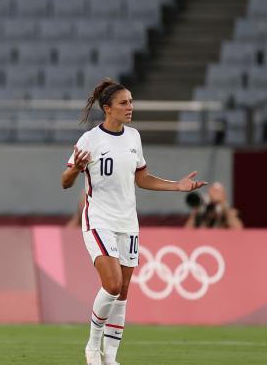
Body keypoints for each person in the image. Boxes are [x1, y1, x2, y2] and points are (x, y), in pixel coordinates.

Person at [61, 79, 206, 365]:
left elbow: (141, 178)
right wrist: (76, 171)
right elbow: (65, 182)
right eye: (123, 103)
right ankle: (92, 347)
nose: (130, 107)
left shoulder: (133, 137)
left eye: (130, 101)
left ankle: (111, 358)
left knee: (124, 291)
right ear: (107, 108)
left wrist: (176, 186)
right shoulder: (90, 139)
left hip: (128, 222)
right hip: (99, 219)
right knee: (112, 285)